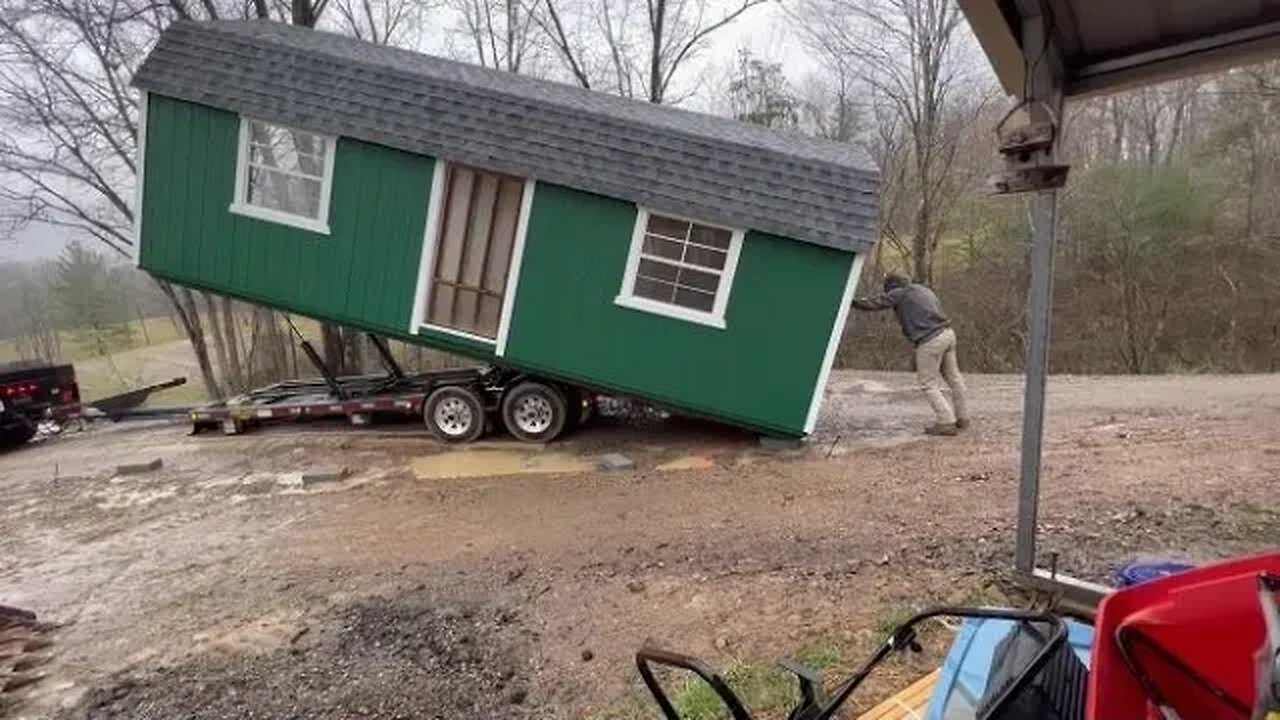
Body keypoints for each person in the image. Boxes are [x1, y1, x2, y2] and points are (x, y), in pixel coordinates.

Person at [851, 273, 969, 436]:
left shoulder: (899, 292)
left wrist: (851, 301)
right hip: (948, 334)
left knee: (928, 383)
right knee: (954, 379)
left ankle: (946, 422)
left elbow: (875, 303)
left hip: (930, 340)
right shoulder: (924, 290)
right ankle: (962, 417)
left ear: (892, 287)